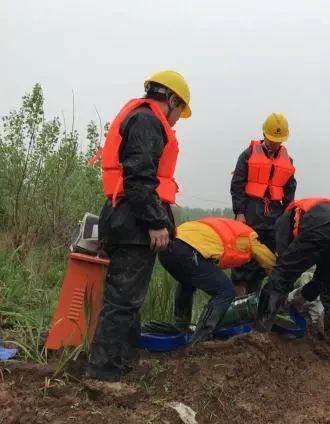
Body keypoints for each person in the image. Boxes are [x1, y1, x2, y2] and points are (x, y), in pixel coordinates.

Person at [86, 70, 192, 381]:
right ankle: (103, 374)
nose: (175, 122)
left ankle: (124, 360)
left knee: (128, 298)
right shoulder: (148, 121)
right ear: (171, 99)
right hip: (134, 220)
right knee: (122, 301)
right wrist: (157, 222)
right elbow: (140, 178)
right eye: (178, 113)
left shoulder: (141, 119)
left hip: (124, 217)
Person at [255, 198, 330, 343]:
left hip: (320, 226)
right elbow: (321, 278)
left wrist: (281, 292)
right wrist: (303, 297)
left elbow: (284, 262)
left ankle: (260, 331)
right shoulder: (322, 210)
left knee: (281, 274)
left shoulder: (286, 217)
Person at [158, 217, 275, 344]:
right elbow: (271, 264)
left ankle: (181, 327)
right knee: (226, 291)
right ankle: (200, 339)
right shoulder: (251, 237)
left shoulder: (225, 225)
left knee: (187, 282)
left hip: (166, 249)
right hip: (188, 252)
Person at [230, 113, 297, 296]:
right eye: (271, 139)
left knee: (263, 261)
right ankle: (237, 303)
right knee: (243, 260)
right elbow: (237, 183)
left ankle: (254, 303)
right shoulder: (248, 154)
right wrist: (239, 212)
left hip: (273, 216)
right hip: (250, 213)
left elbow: (290, 190)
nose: (274, 143)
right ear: (264, 133)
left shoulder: (287, 160)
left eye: (278, 140)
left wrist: (287, 217)